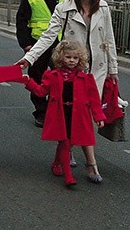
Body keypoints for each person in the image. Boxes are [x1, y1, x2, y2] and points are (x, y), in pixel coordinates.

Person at [17, 0, 118, 183]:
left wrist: (114, 70)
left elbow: (109, 40)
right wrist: (30, 58)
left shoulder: (104, 8)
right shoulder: (64, 8)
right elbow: (48, 36)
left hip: (97, 69)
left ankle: (74, 154)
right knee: (77, 114)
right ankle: (89, 162)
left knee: (86, 115)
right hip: (73, 69)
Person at [23, 40, 105, 187]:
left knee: (68, 141)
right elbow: (41, 92)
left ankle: (56, 163)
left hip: (78, 116)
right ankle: (68, 176)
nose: (72, 61)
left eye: (75, 58)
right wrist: (28, 82)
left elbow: (94, 100)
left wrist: (98, 117)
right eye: (68, 57)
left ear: (80, 59)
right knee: (65, 142)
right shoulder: (52, 75)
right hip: (60, 114)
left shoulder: (86, 78)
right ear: (61, 58)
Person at [16, 0, 67, 127]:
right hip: (37, 44)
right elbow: (21, 21)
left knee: (61, 79)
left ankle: (57, 109)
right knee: (37, 78)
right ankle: (40, 111)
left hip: (60, 45)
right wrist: (26, 45)